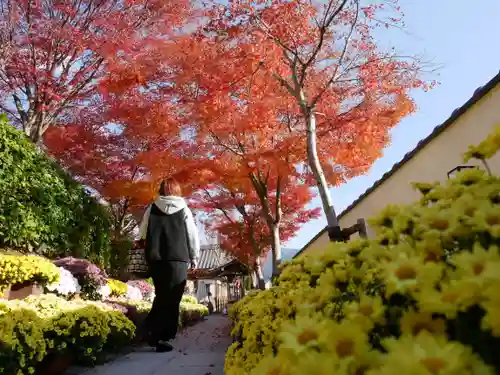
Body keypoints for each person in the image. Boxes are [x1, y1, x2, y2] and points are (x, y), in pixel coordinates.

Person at [136, 178, 200, 352]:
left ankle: (149, 330)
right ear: (177, 190)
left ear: (162, 190)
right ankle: (160, 336)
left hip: (156, 258)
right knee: (173, 298)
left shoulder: (152, 207)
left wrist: (142, 241)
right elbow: (192, 235)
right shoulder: (184, 208)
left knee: (161, 295)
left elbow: (142, 231)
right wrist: (195, 257)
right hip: (178, 258)